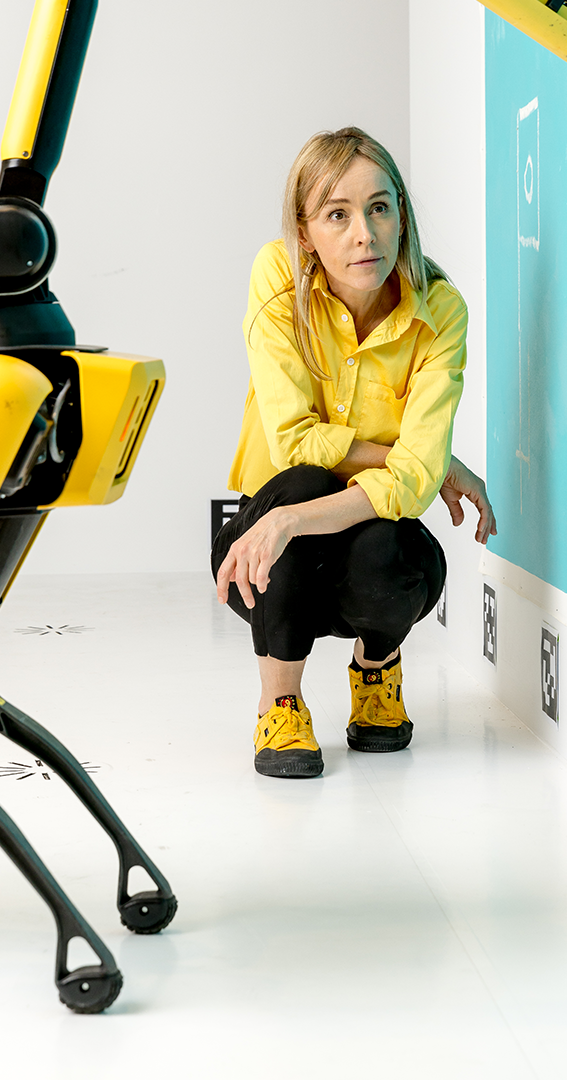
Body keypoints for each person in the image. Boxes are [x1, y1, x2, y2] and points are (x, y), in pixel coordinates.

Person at [212, 126, 495, 778]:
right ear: (306, 232)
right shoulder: (277, 277)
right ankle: (279, 701)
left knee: (387, 551)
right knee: (304, 483)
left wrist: (423, 468)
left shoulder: (440, 310)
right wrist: (418, 456)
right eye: (337, 214)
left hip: (348, 532)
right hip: (266, 544)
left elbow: (415, 485)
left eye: (379, 207)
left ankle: (376, 675)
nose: (364, 234)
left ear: (401, 214)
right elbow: (295, 442)